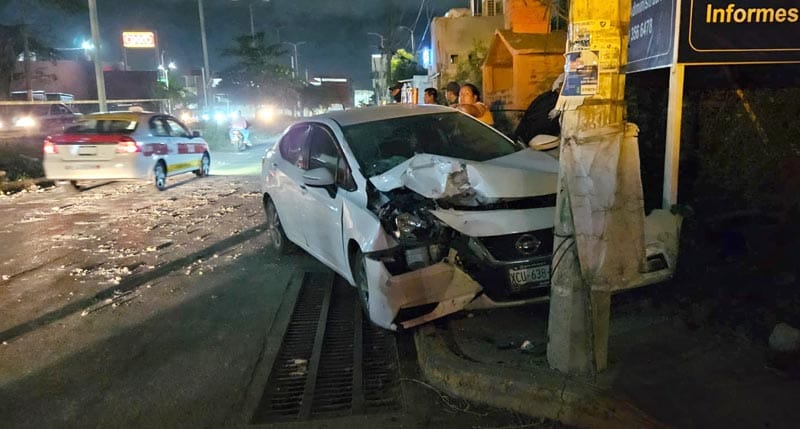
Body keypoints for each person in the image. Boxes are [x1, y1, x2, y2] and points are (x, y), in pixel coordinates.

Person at [513, 73, 564, 146]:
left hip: (530, 141)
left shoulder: (547, 98)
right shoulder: (549, 101)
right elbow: (540, 123)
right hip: (535, 143)